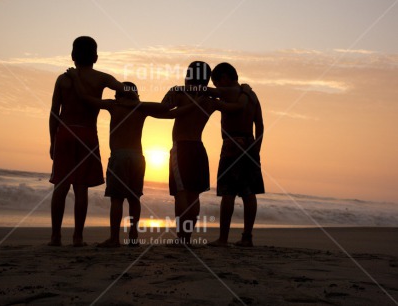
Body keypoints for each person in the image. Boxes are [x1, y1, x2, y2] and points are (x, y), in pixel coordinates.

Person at [67, 70, 190, 247]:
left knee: (117, 199)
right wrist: (195, 104)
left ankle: (115, 238)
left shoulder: (114, 105)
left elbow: (86, 98)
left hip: (119, 156)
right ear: (136, 94)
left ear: (117, 95)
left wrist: (75, 78)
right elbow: (167, 109)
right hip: (138, 158)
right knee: (134, 198)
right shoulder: (141, 107)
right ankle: (133, 236)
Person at [49, 36, 132, 247]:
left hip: (65, 133)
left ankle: (55, 237)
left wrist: (52, 141)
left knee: (61, 185)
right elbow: (125, 89)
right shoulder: (102, 78)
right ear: (95, 57)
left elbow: (54, 114)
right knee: (81, 187)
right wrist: (118, 100)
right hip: (87, 134)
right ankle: (78, 237)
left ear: (72, 56)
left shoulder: (63, 79)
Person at [208, 62, 265, 247]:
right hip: (250, 144)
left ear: (224, 78)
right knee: (249, 193)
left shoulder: (228, 91)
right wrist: (257, 148)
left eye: (217, 82)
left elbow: (208, 92)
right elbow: (260, 125)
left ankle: (223, 238)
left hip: (232, 145)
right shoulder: (252, 95)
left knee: (228, 193)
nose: (217, 87)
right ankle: (247, 237)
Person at [161, 61, 216, 245]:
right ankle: (187, 237)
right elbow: (231, 99)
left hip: (181, 148)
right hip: (199, 149)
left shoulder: (179, 93)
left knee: (181, 194)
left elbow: (163, 109)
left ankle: (181, 237)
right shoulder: (210, 101)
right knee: (194, 196)